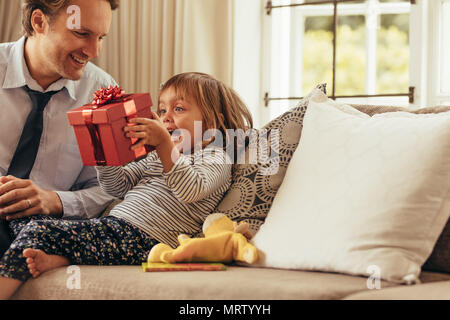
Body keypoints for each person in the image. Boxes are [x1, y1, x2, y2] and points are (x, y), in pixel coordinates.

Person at [0, 72, 254, 299]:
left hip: (147, 239)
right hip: (118, 228)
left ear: (212, 123)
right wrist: (102, 151)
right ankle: (59, 259)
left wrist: (164, 145)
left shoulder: (215, 157)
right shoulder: (156, 156)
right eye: (162, 110)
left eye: (179, 109)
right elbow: (116, 187)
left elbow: (190, 189)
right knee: (22, 220)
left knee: (39, 232)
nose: (166, 119)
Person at [0, 0, 120, 257]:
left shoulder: (103, 94)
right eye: (82, 33)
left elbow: (110, 188)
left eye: (100, 37)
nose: (94, 51)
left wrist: (54, 200)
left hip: (40, 229)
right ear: (39, 22)